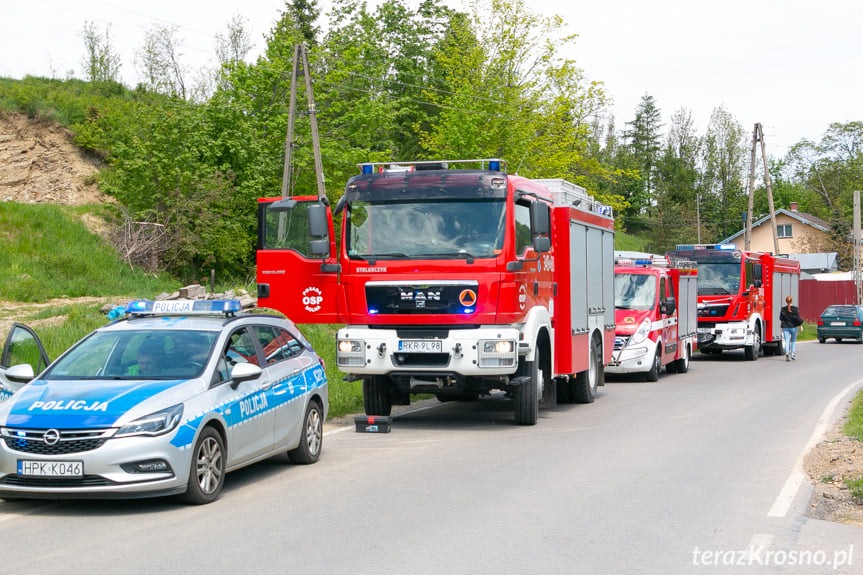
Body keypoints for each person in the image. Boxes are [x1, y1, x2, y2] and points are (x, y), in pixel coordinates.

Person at [779, 296, 804, 361]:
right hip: (793, 327)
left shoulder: (783, 309)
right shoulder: (795, 309)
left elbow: (781, 318)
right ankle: (792, 354)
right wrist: (800, 326)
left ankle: (787, 352)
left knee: (787, 340)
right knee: (793, 341)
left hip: (785, 327)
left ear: (786, 301)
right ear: (791, 301)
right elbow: (797, 319)